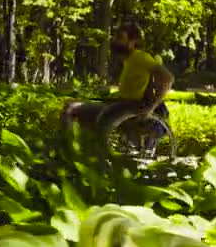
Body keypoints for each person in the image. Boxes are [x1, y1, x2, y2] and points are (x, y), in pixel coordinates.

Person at [61, 22, 174, 154]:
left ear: (133, 41)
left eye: (120, 38)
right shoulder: (129, 60)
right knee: (75, 107)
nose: (115, 41)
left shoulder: (140, 57)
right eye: (115, 37)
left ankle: (67, 151)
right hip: (123, 106)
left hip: (129, 109)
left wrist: (152, 106)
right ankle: (80, 150)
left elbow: (168, 78)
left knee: (70, 108)